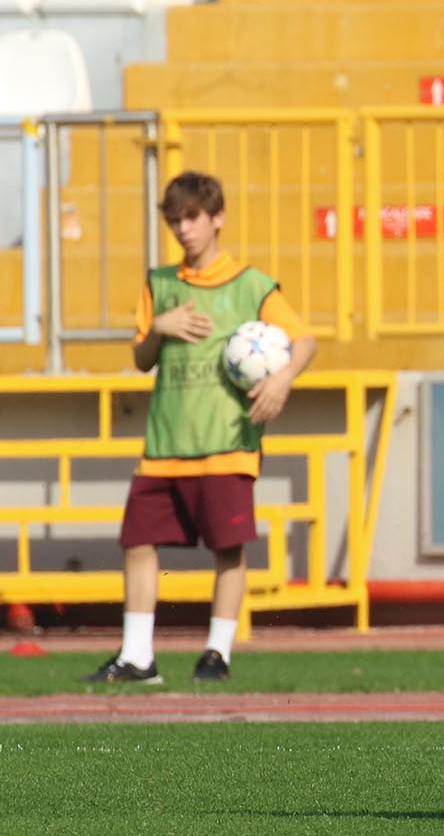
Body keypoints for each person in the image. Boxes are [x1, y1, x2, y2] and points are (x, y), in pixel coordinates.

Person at [81, 171, 317, 686]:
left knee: (227, 549)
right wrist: (158, 331)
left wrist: (283, 379)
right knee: (138, 542)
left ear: (217, 219)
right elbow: (142, 358)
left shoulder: (251, 284)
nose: (183, 229)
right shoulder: (159, 283)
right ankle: (138, 656)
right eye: (174, 220)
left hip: (227, 440)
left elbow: (303, 339)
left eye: (192, 218)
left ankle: (217, 652)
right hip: (165, 441)